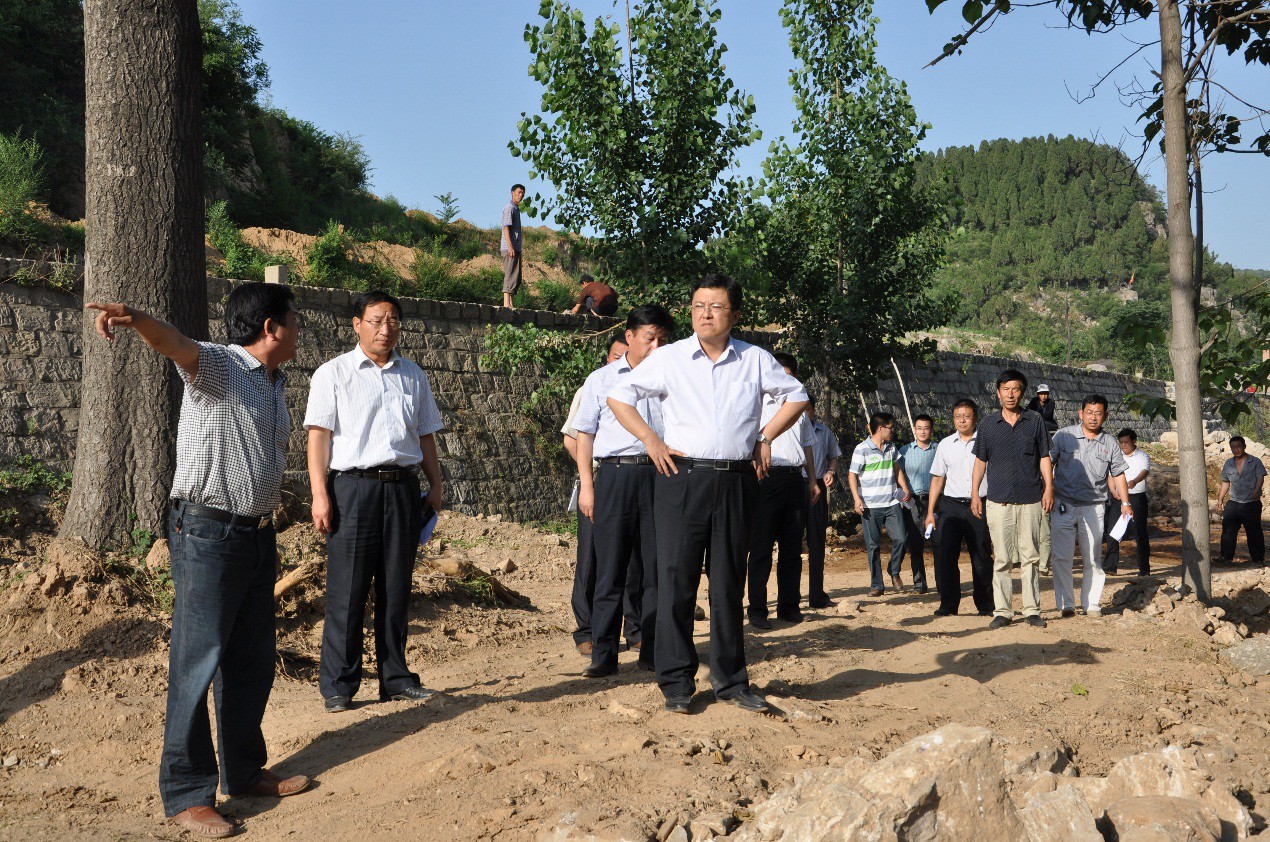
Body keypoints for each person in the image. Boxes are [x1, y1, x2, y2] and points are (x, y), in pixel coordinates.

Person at [87, 284, 311, 838]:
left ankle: (243, 770)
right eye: (294, 322)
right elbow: (176, 345)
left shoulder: (273, 382)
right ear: (270, 328)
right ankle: (188, 793)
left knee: (251, 658)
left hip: (257, 537)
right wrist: (136, 317)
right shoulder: (219, 367)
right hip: (209, 533)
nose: (300, 331)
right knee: (198, 662)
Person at [607, 273, 808, 716]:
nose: (705, 313)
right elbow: (620, 397)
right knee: (676, 580)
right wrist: (651, 441)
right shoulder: (672, 357)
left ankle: (731, 681)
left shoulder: (755, 359)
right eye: (698, 305)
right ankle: (677, 682)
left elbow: (797, 395)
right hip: (682, 478)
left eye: (715, 306)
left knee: (727, 583)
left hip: (737, 480)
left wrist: (766, 437)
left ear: (734, 314)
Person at [305, 290, 445, 713]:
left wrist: (434, 483)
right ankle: (339, 685)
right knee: (347, 589)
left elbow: (425, 435)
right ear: (357, 324)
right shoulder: (333, 373)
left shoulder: (413, 375)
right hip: (352, 488)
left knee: (396, 586)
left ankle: (396, 678)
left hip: (402, 487)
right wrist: (319, 495)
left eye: (394, 321)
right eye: (377, 321)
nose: (387, 329)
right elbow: (318, 438)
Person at [573, 305, 676, 677]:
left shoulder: (672, 380)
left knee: (655, 571)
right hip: (614, 478)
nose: (656, 346)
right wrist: (588, 487)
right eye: (650, 338)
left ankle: (650, 650)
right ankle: (604, 654)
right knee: (609, 569)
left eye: (663, 340)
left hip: (660, 477)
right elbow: (584, 437)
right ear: (629, 336)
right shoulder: (601, 379)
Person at [562, 337, 637, 657]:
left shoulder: (650, 386)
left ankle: (636, 629)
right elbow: (571, 439)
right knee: (592, 559)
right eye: (617, 355)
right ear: (608, 357)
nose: (622, 360)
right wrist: (590, 476)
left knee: (636, 561)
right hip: (599, 481)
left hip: (637, 484)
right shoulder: (592, 387)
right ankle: (587, 630)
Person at [972, 369, 1054, 629]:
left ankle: (1032, 610)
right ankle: (1003, 611)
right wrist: (975, 493)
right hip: (999, 501)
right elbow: (980, 461)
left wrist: (1049, 488)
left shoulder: (1035, 421)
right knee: (1002, 558)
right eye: (1005, 389)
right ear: (998, 393)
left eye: (1015, 389)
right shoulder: (987, 425)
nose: (1010, 394)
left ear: (1022, 392)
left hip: (1031, 499)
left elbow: (1044, 457)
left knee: (1031, 556)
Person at [746, 352, 819, 629]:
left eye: (789, 375)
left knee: (792, 548)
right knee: (761, 547)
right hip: (765, 478)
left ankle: (788, 607)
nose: (783, 379)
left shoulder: (799, 409)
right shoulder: (757, 404)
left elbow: (808, 446)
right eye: (779, 374)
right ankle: (757, 610)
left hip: (794, 479)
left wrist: (812, 480)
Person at [1048, 395, 1131, 618]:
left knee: (1093, 557)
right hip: (1063, 504)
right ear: (1080, 413)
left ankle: (1091, 603)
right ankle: (1066, 603)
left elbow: (1119, 473)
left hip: (1094, 507)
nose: (1093, 417)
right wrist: (1046, 491)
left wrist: (1125, 503)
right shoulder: (1063, 436)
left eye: (1098, 413)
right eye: (1089, 412)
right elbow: (1047, 463)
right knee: (1062, 556)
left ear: (1105, 416)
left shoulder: (1110, 443)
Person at [925, 399, 994, 617]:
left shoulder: (986, 442)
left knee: (981, 557)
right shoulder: (945, 444)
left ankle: (985, 605)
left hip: (979, 505)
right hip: (950, 506)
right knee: (946, 556)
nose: (962, 420)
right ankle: (948, 604)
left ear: (975, 418)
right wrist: (930, 513)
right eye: (957, 416)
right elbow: (937, 479)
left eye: (966, 415)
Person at [848, 412, 914, 597]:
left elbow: (896, 469)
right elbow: (852, 474)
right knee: (873, 545)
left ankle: (894, 570)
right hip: (869, 506)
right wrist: (856, 498)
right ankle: (877, 585)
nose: (892, 431)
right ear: (880, 428)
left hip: (892, 502)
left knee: (901, 538)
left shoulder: (892, 448)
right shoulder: (862, 449)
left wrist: (904, 487)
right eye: (890, 428)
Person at [805, 396, 842, 609]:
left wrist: (830, 471)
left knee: (817, 542)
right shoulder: (786, 430)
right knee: (789, 543)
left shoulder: (823, 431)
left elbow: (833, 455)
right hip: (792, 484)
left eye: (807, 409)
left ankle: (816, 595)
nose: (804, 414)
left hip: (817, 488)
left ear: (814, 409)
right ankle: (787, 599)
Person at [1103, 428, 1151, 575]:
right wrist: (1113, 490)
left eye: (1126, 442)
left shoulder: (1142, 456)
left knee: (1139, 533)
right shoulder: (1117, 456)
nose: (1123, 445)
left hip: (1136, 498)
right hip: (1118, 499)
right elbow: (1111, 475)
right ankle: (1110, 566)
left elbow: (1145, 471)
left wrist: (1135, 481)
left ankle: (1144, 568)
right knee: (1112, 531)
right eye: (1121, 443)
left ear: (1134, 441)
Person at [897, 414, 935, 595]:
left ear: (931, 430)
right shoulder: (904, 451)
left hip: (935, 501)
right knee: (915, 544)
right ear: (914, 430)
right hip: (912, 503)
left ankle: (943, 582)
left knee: (939, 542)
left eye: (926, 428)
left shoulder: (938, 450)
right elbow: (898, 475)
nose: (922, 431)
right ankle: (919, 582)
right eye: (919, 428)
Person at [1217, 435, 1266, 567]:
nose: (1236, 449)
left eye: (1238, 446)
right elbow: (1226, 482)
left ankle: (1257, 559)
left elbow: (1260, 477)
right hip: (1233, 502)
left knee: (1254, 531)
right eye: (1233, 447)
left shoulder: (1255, 461)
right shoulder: (1228, 463)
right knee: (1228, 530)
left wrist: (1257, 489)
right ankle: (1225, 557)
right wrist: (1220, 499)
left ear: (1244, 446)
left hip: (1251, 502)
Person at [1027, 385, 1056, 575]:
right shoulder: (1032, 404)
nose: (1043, 396)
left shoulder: (1047, 457)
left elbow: (1046, 417)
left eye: (1045, 393)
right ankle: (1029, 562)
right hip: (1029, 491)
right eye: (1041, 393)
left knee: (1045, 530)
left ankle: (1044, 564)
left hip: (1043, 490)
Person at [501, 183, 525, 309]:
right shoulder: (509, 208)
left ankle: (510, 303)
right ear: (512, 193)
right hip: (509, 248)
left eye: (522, 193)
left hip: (515, 247)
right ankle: (506, 304)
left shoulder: (516, 209)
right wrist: (510, 247)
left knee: (515, 275)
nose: (520, 195)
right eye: (519, 192)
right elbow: (506, 228)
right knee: (510, 273)